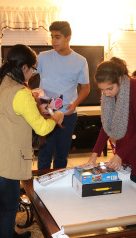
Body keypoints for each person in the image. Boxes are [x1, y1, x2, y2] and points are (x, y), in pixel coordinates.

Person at [0, 44, 64, 238]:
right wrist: (56, 117)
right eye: (32, 69)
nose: (33, 73)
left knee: (6, 202)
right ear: (23, 67)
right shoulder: (20, 93)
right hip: (1, 164)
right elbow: (42, 128)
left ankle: (9, 235)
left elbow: (12, 112)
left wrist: (32, 103)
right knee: (9, 205)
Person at [84, 57, 136, 197]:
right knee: (132, 177)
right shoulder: (108, 91)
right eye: (102, 90)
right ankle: (134, 212)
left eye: (109, 89)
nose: (106, 94)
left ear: (119, 79)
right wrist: (94, 155)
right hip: (133, 131)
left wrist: (120, 154)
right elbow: (107, 125)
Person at [36, 21, 90, 170]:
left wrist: (75, 104)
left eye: (57, 37)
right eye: (52, 36)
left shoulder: (80, 61)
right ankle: (42, 189)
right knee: (45, 153)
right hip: (46, 113)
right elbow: (25, 75)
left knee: (62, 154)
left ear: (68, 38)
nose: (53, 41)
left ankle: (58, 188)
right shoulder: (43, 57)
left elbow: (86, 88)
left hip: (67, 113)